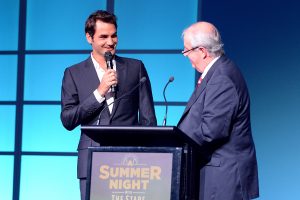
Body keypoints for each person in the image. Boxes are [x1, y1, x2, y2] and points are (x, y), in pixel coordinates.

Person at [60, 10, 157, 200]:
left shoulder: (136, 67)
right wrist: (99, 92)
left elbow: (148, 119)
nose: (110, 42)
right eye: (103, 36)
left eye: (114, 35)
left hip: (130, 163)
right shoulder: (73, 73)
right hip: (91, 158)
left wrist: (149, 158)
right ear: (89, 38)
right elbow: (68, 119)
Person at [177, 21, 259, 200]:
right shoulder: (218, 71)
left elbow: (211, 132)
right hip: (217, 175)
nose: (185, 55)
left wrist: (175, 143)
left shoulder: (222, 78)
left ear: (202, 51)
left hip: (224, 181)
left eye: (186, 51)